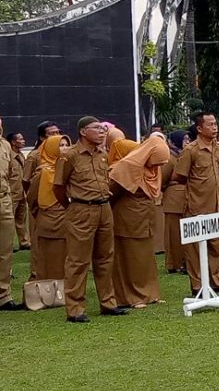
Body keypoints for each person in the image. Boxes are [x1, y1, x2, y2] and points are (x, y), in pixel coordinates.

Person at [52, 117, 128, 322]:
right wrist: (72, 206)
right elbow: (58, 187)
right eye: (97, 129)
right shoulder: (70, 156)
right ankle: (75, 308)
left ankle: (108, 302)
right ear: (83, 132)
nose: (103, 131)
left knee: (105, 257)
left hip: (104, 208)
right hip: (81, 209)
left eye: (104, 129)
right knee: (78, 260)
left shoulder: (103, 154)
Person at [174, 111, 219, 295]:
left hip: (217, 204)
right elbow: (180, 176)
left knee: (216, 245)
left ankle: (217, 282)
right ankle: (197, 285)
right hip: (197, 205)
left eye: (216, 124)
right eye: (210, 124)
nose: (215, 127)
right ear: (199, 128)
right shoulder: (191, 150)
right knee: (194, 248)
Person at [109, 135, 169, 308]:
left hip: (146, 217)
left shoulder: (152, 169)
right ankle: (131, 297)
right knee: (130, 257)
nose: (158, 167)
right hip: (128, 218)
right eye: (156, 162)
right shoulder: (128, 166)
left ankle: (150, 294)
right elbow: (112, 192)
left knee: (146, 258)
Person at [26, 134, 68, 283]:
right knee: (46, 257)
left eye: (66, 145)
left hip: (67, 219)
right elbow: (31, 198)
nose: (64, 149)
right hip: (49, 219)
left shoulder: (68, 168)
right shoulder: (42, 172)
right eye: (60, 145)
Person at [162, 130, 189, 274]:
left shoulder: (184, 155)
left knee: (184, 232)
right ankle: (174, 263)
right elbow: (162, 180)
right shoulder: (170, 158)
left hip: (186, 198)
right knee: (174, 234)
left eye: (188, 139)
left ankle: (185, 261)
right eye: (184, 140)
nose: (187, 142)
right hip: (173, 200)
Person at [0, 123, 20, 311]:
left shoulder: (5, 145)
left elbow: (10, 174)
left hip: (4, 200)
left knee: (5, 250)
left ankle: (3, 295)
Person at [6, 132, 29, 250]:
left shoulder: (21, 155)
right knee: (8, 221)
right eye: (20, 139)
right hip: (11, 193)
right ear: (13, 142)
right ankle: (8, 243)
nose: (23, 141)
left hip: (21, 193)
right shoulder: (8, 156)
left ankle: (24, 241)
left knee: (21, 219)